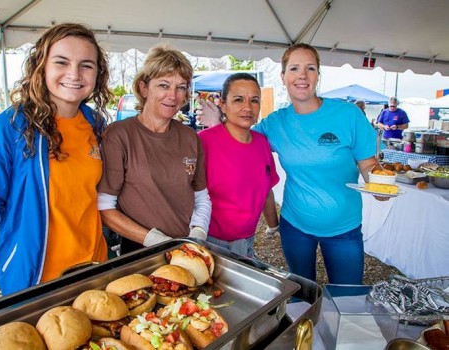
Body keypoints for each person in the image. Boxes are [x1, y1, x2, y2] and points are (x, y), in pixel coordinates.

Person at [0, 23, 112, 308]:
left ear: (97, 75)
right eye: (61, 62)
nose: (74, 74)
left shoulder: (95, 125)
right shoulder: (10, 127)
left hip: (92, 275)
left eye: (86, 65)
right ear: (42, 66)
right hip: (35, 282)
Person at [253, 43, 382, 284]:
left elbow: (367, 164)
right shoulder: (275, 123)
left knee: (348, 296)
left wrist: (379, 184)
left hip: (344, 227)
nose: (302, 75)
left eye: (310, 68)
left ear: (318, 76)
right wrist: (216, 123)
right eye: (294, 68)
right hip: (296, 225)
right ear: (283, 77)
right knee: (303, 294)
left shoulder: (348, 115)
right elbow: (244, 143)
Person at [97, 44, 211, 255]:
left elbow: (201, 197)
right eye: (163, 85)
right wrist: (154, 240)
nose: (173, 96)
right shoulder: (118, 135)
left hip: (185, 247)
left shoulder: (189, 138)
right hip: (138, 249)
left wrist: (198, 232)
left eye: (181, 87)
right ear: (143, 88)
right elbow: (104, 207)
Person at [198, 73, 279, 257]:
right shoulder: (203, 142)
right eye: (238, 99)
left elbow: (267, 190)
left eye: (254, 100)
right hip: (210, 244)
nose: (247, 107)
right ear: (223, 105)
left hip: (247, 244)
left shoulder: (261, 143)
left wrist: (274, 225)